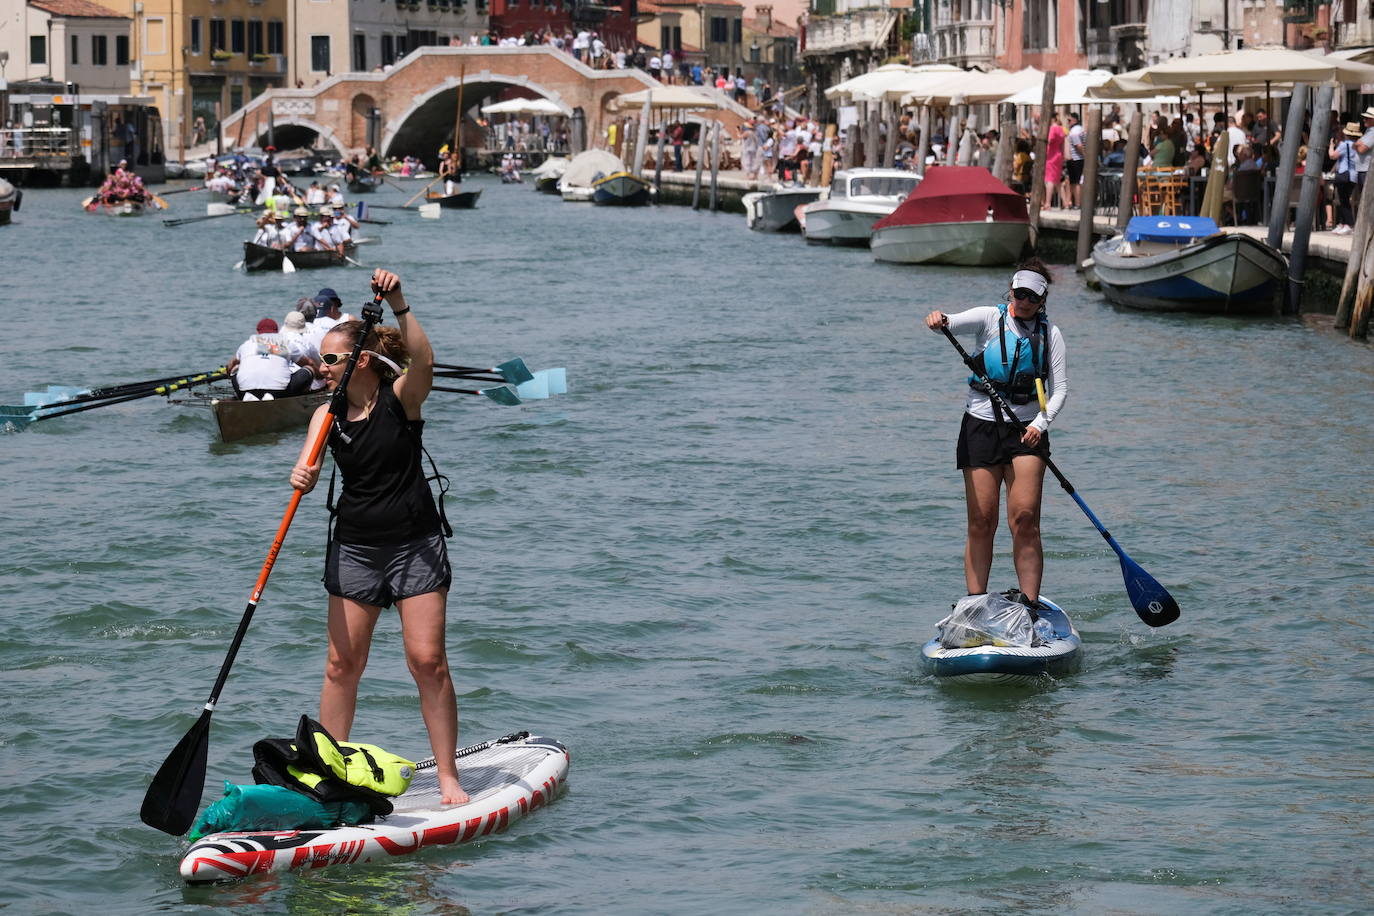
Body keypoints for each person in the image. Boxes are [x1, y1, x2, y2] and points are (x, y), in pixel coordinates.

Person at [288, 269, 468, 806]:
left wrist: (399, 303)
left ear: (360, 361)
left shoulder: (400, 399)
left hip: (415, 543)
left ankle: (450, 778)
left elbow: (425, 362)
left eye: (331, 360)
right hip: (355, 548)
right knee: (342, 665)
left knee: (427, 661)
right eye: (320, 359)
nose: (321, 368)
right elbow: (308, 466)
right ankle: (331, 779)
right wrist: (303, 474)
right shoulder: (325, 414)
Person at [922, 258, 1067, 607]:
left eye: (1032, 297)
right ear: (1011, 291)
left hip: (1026, 433)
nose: (1024, 302)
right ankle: (975, 603)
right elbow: (950, 323)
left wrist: (1039, 425)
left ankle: (1029, 605)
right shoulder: (990, 318)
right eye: (1019, 294)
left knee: (1025, 519)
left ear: (1042, 300)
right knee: (982, 520)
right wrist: (938, 319)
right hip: (980, 427)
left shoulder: (1051, 335)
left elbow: (1059, 389)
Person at [227, 317, 317, 400]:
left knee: (235, 369)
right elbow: (309, 362)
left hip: (245, 391)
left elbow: (230, 365)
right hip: (279, 392)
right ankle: (301, 398)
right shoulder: (285, 343)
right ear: (276, 331)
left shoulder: (247, 344)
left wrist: (229, 373)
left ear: (257, 332)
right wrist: (321, 375)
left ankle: (246, 396)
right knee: (309, 369)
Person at [1330, 122, 1361, 234]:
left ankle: (1349, 224)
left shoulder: (1344, 144)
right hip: (1354, 176)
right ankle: (1343, 223)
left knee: (1343, 200)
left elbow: (1332, 155)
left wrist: (1331, 146)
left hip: (1344, 174)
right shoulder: (1358, 144)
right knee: (1345, 199)